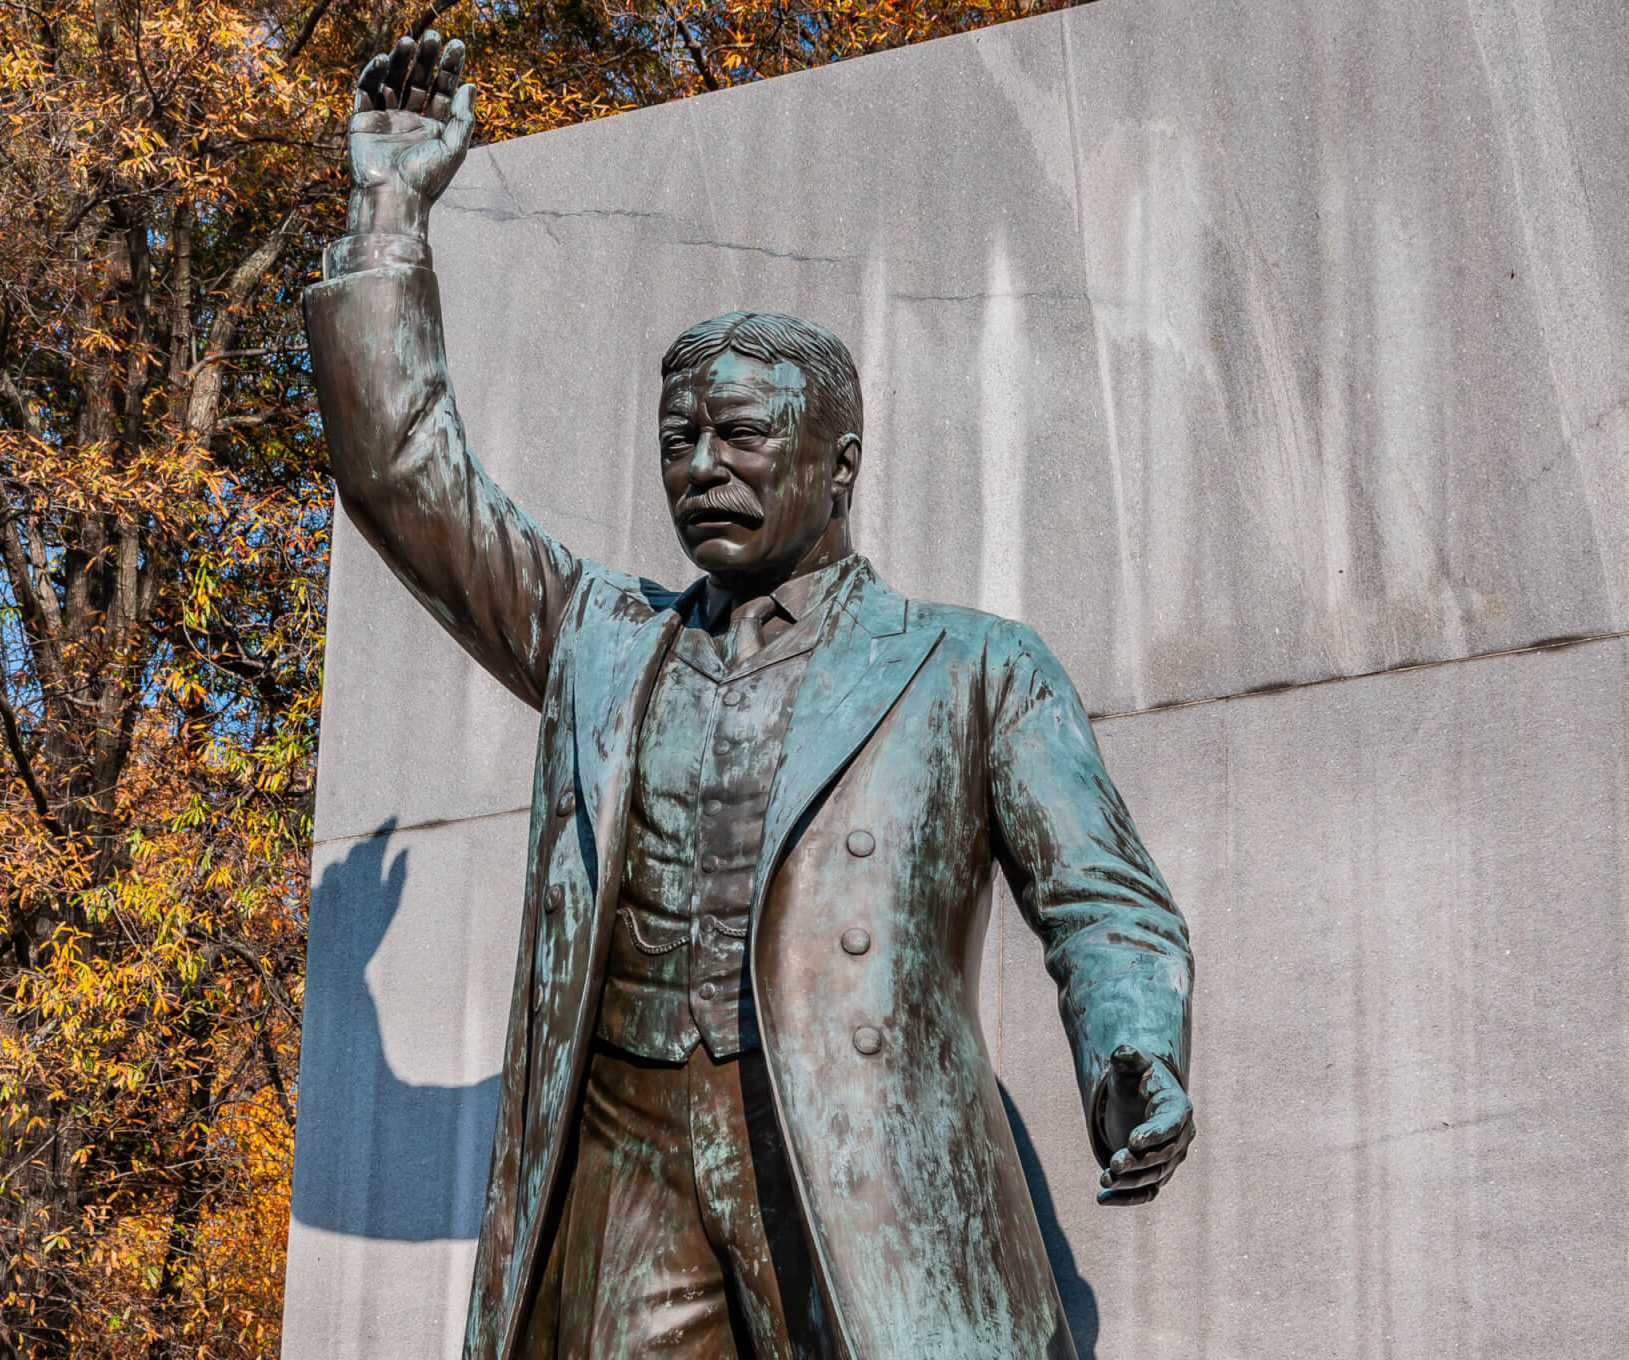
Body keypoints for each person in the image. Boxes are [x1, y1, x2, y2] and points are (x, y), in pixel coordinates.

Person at [304, 30, 1197, 1360]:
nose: (701, 469)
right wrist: (389, 213)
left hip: (853, 1166)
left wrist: (1132, 1045)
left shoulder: (973, 668)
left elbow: (1100, 896)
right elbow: (406, 479)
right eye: (679, 441)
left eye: (741, 437)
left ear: (840, 465)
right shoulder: (601, 640)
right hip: (624, 1169)